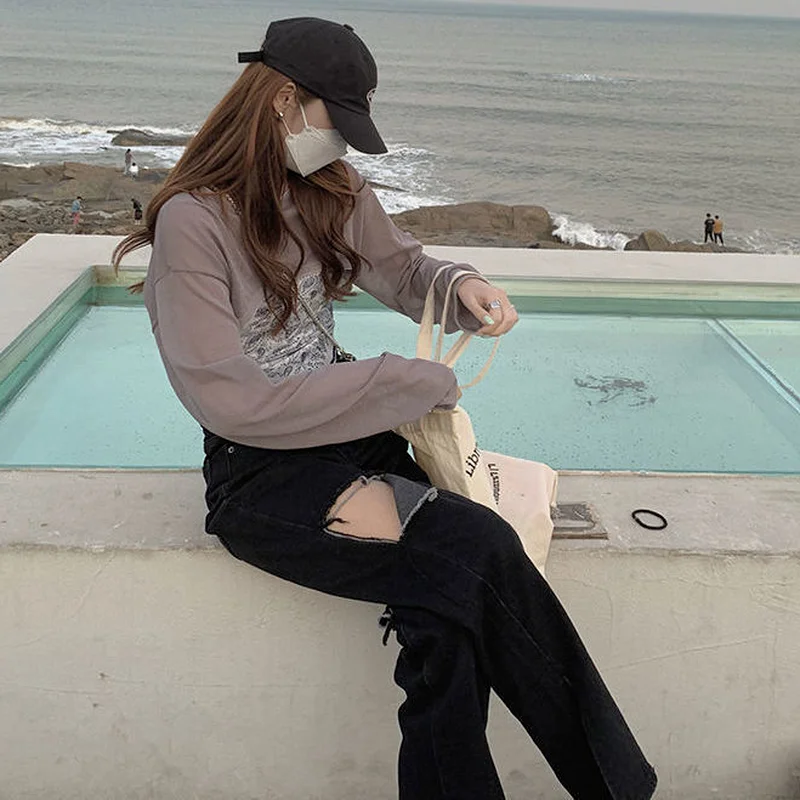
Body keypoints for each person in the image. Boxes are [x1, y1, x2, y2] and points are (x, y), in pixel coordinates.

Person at [113, 17, 656, 800]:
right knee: (477, 548)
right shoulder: (193, 222)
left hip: (353, 448)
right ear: (283, 100)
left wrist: (462, 288)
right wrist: (395, 383)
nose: (341, 145)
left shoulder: (328, 187)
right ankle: (622, 789)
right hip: (266, 478)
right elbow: (230, 401)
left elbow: (402, 270)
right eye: (336, 121)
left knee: (447, 616)